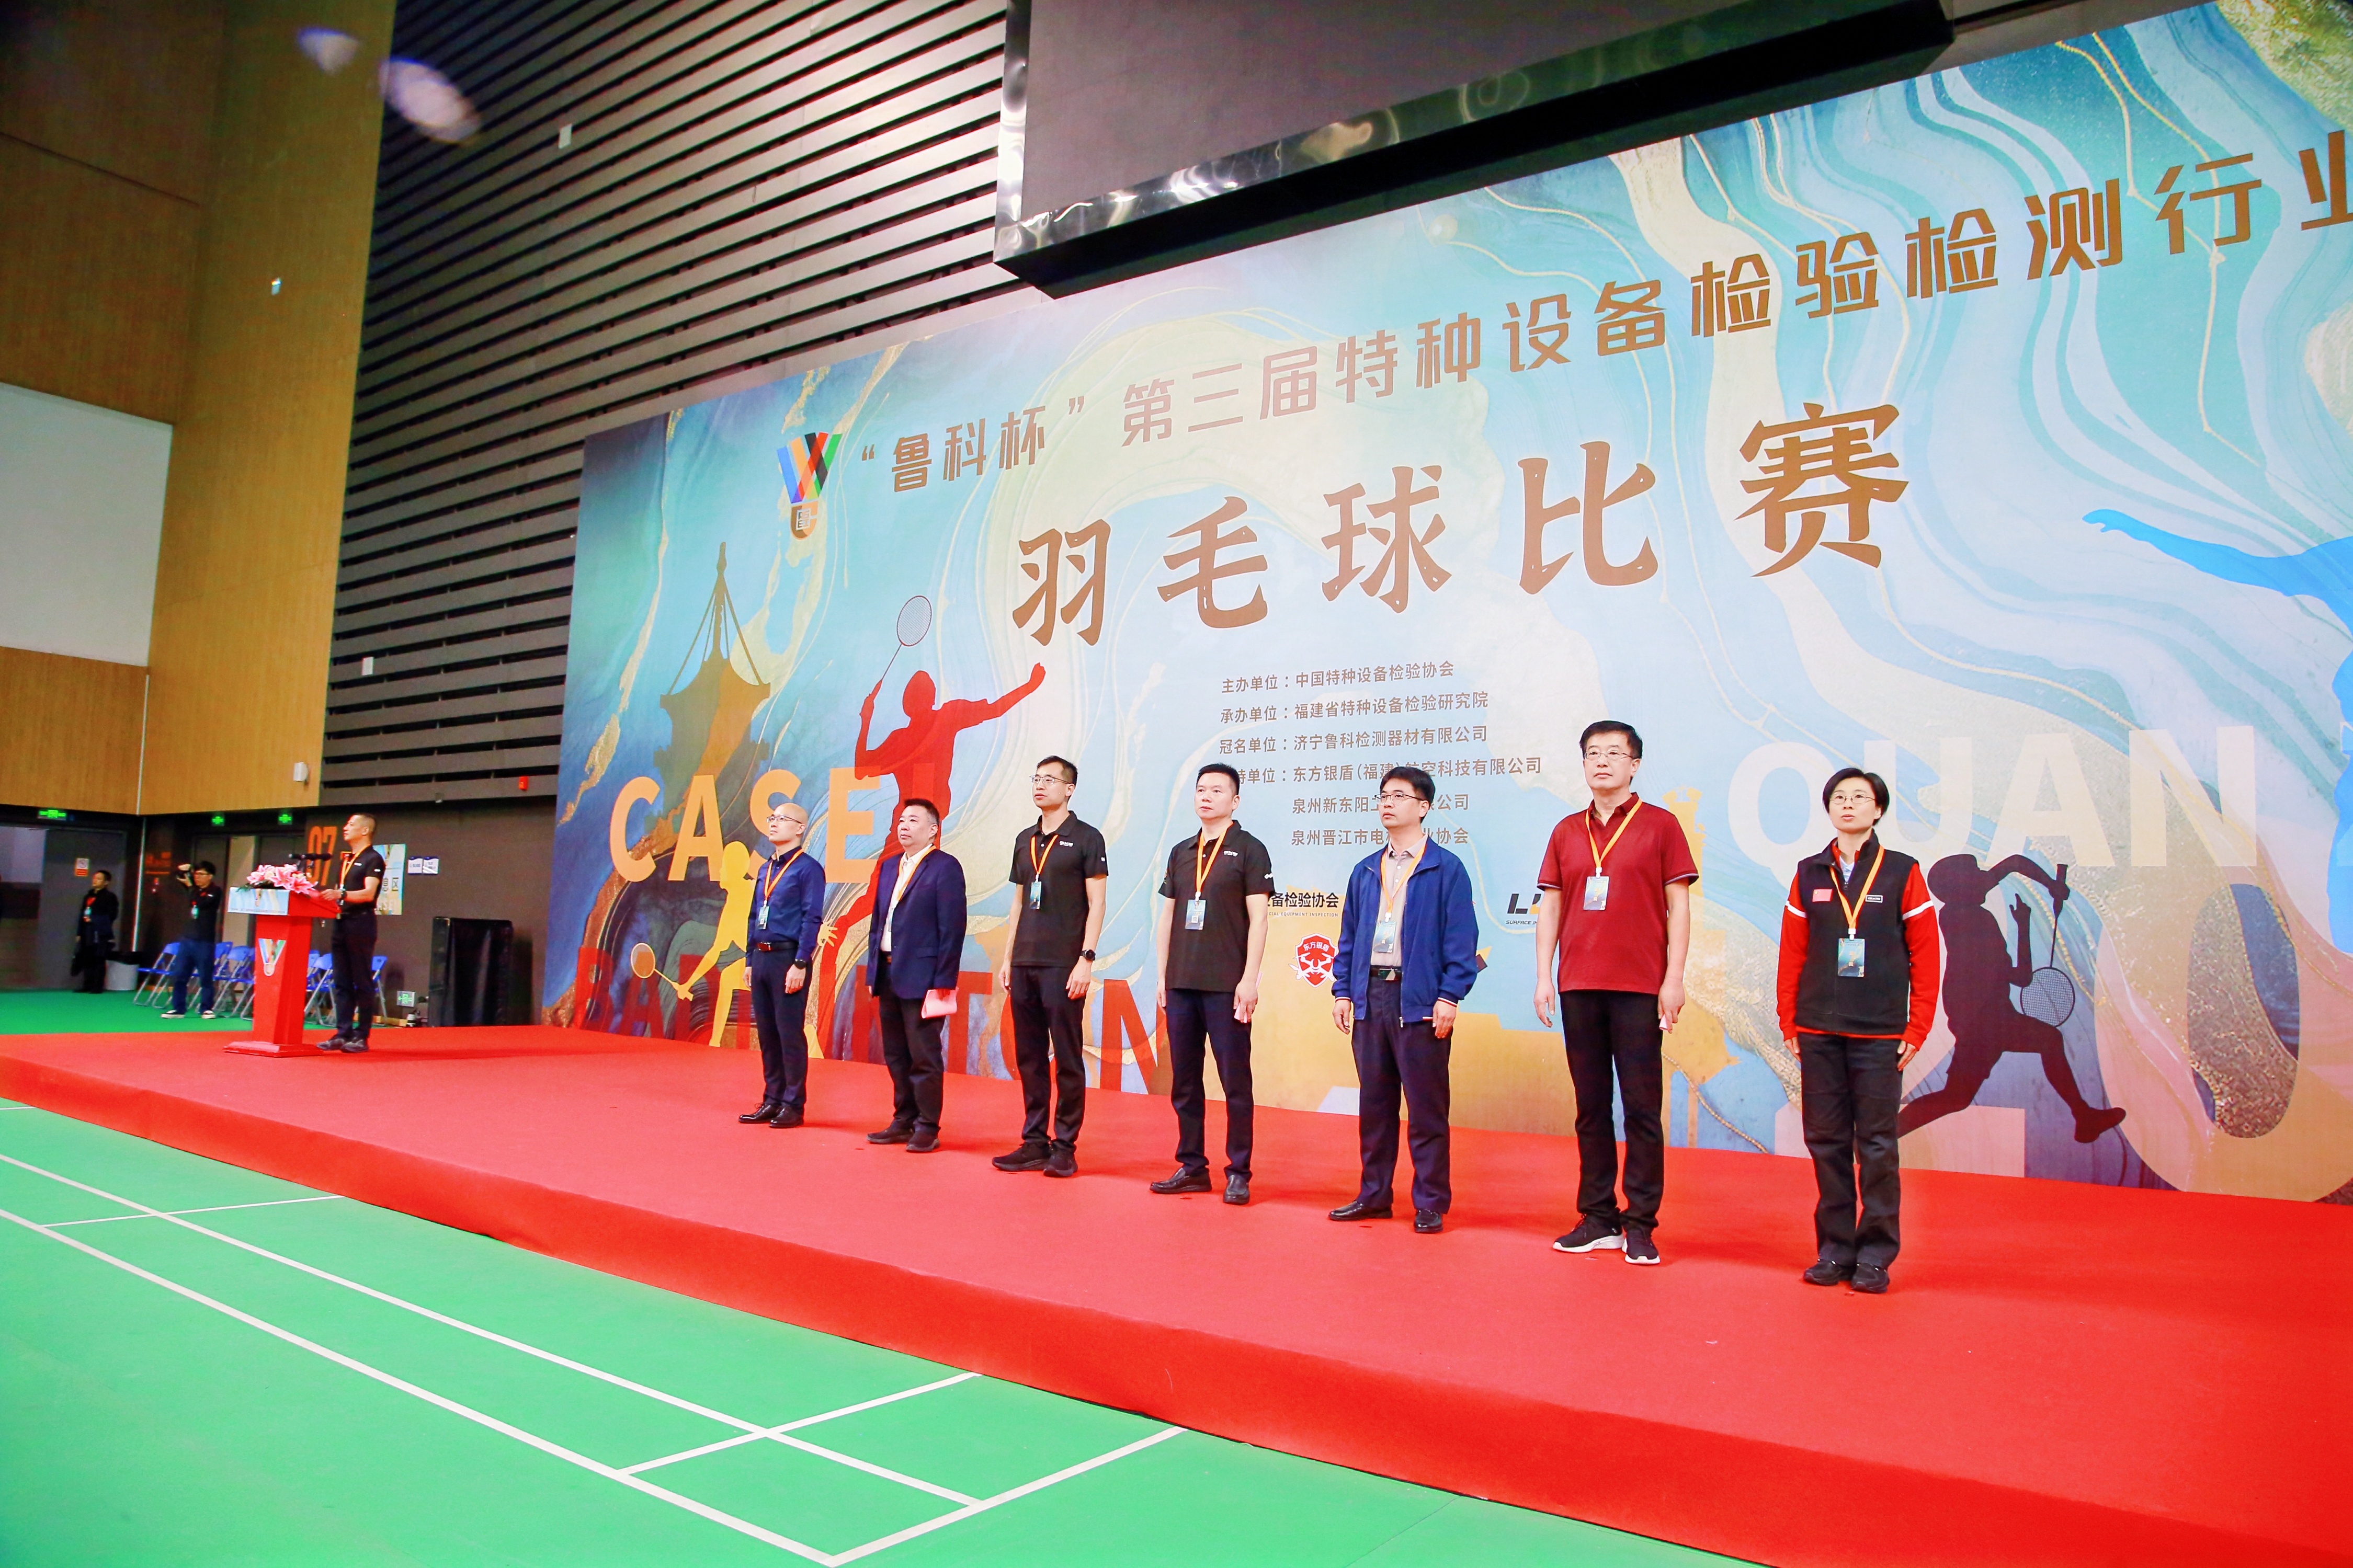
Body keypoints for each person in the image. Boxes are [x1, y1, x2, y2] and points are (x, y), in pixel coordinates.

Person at [1533, 720, 1697, 1267]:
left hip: (1639, 986)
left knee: (1642, 1109)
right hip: (1578, 984)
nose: (1601, 761)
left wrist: (1673, 978)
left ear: (1634, 764)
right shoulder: (1566, 830)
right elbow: (1551, 907)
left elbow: (1678, 906)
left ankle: (1640, 1223)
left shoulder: (1660, 825)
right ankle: (1598, 1217)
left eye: (1613, 753)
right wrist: (1543, 975)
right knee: (1590, 1107)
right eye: (1592, 753)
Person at [1776, 768, 1942, 1295]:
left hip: (1879, 1032)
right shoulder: (1808, 873)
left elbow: (1925, 954)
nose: (1847, 804)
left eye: (1859, 797)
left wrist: (1917, 1025)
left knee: (1875, 1144)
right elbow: (1792, 952)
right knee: (1825, 1141)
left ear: (1877, 810)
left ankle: (1874, 1255)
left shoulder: (1901, 872)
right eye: (1838, 798)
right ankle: (1834, 1250)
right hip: (1817, 1028)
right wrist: (1788, 1020)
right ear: (1829, 809)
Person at [1328, 766, 1480, 1233]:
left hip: (1419, 1001)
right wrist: (1342, 990)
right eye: (1383, 795)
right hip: (1370, 996)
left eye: (1399, 795)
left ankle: (1430, 1201)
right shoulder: (1365, 869)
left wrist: (1449, 995)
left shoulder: (1445, 868)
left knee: (1426, 1108)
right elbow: (1349, 936)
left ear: (1423, 807)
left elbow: (1461, 940)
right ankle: (1373, 1194)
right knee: (1375, 1106)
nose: (1387, 803)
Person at [1150, 763, 1273, 1205]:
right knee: (1184, 1079)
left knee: (1234, 1081)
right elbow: (1167, 916)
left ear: (1235, 801)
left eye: (1217, 790)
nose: (1206, 796)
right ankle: (1192, 1166)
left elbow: (1259, 919)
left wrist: (1249, 979)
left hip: (1227, 986)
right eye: (1201, 789)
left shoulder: (1250, 849)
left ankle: (1238, 1171)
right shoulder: (1181, 851)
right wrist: (1162, 975)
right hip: (1182, 983)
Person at [993, 756, 1108, 1179]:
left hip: (1064, 964)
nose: (1040, 785)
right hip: (1025, 961)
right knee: (1029, 1056)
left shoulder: (1086, 838)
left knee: (1067, 1057)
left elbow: (1097, 902)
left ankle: (1065, 1146)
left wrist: (1086, 959)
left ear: (1069, 789)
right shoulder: (1024, 839)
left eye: (1049, 779)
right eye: (1036, 778)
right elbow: (1019, 902)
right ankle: (1034, 1141)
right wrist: (1008, 956)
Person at [865, 799, 966, 1152]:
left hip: (924, 977)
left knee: (924, 1054)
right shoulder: (889, 866)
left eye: (913, 820)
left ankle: (927, 1125)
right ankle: (903, 1119)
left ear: (933, 829)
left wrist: (943, 982)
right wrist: (873, 971)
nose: (904, 826)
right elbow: (878, 923)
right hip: (888, 971)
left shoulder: (945, 867)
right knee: (895, 1053)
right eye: (901, 820)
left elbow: (952, 929)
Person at [741, 801, 825, 1128]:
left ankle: (793, 1104)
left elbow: (811, 918)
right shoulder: (765, 869)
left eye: (782, 819)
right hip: (761, 958)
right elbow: (754, 916)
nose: (774, 823)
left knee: (789, 1033)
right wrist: (750, 959)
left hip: (788, 959)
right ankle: (772, 1099)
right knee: (767, 1034)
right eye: (772, 818)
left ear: (800, 828)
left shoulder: (808, 869)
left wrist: (801, 962)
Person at [324, 815, 386, 1052]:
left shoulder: (373, 858)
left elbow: (369, 894)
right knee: (341, 981)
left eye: (351, 824)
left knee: (362, 981)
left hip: (361, 923)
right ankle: (343, 1032)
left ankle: (362, 1036)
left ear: (365, 830)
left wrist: (341, 895)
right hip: (341, 923)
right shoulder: (347, 859)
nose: (345, 828)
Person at [160, 862, 224, 1018]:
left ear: (210, 876)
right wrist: (183, 870)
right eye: (196, 874)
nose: (197, 877)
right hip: (188, 939)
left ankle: (206, 1008)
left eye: (201, 874)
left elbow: (201, 903)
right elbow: (178, 877)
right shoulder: (193, 889)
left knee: (205, 976)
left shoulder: (215, 891)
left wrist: (190, 886)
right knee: (180, 975)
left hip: (204, 941)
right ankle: (179, 1008)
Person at [72, 870, 118, 993]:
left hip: (100, 932)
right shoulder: (88, 896)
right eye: (94, 878)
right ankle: (87, 985)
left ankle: (97, 987)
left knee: (98, 958)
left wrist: (94, 919)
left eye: (99, 879)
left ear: (106, 882)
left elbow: (112, 915)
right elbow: (82, 915)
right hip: (86, 931)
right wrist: (79, 933)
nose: (95, 881)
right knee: (87, 957)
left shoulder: (110, 897)